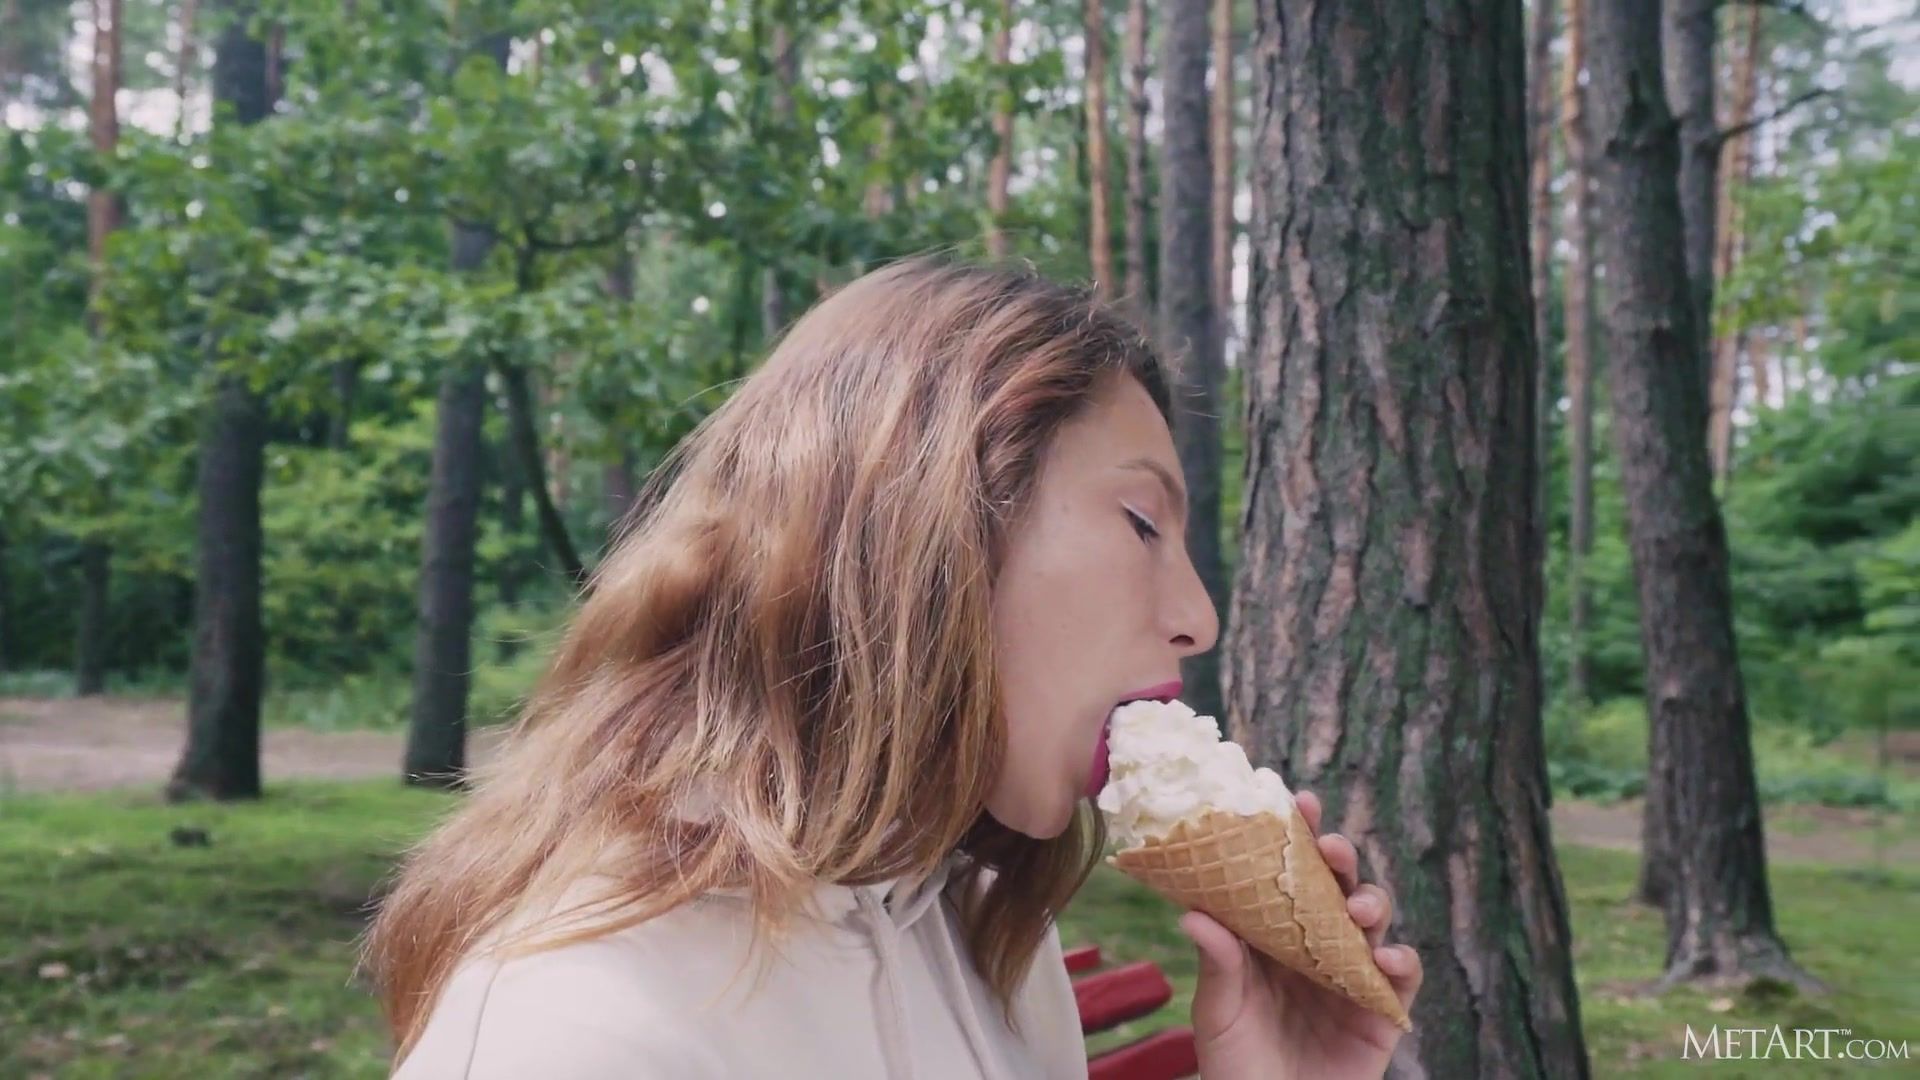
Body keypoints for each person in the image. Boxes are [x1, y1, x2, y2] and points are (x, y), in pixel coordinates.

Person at [363, 255, 1422, 1079]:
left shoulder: (988, 940)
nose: (1198, 619)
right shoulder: (579, 1026)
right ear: (928, 528)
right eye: (1143, 522)